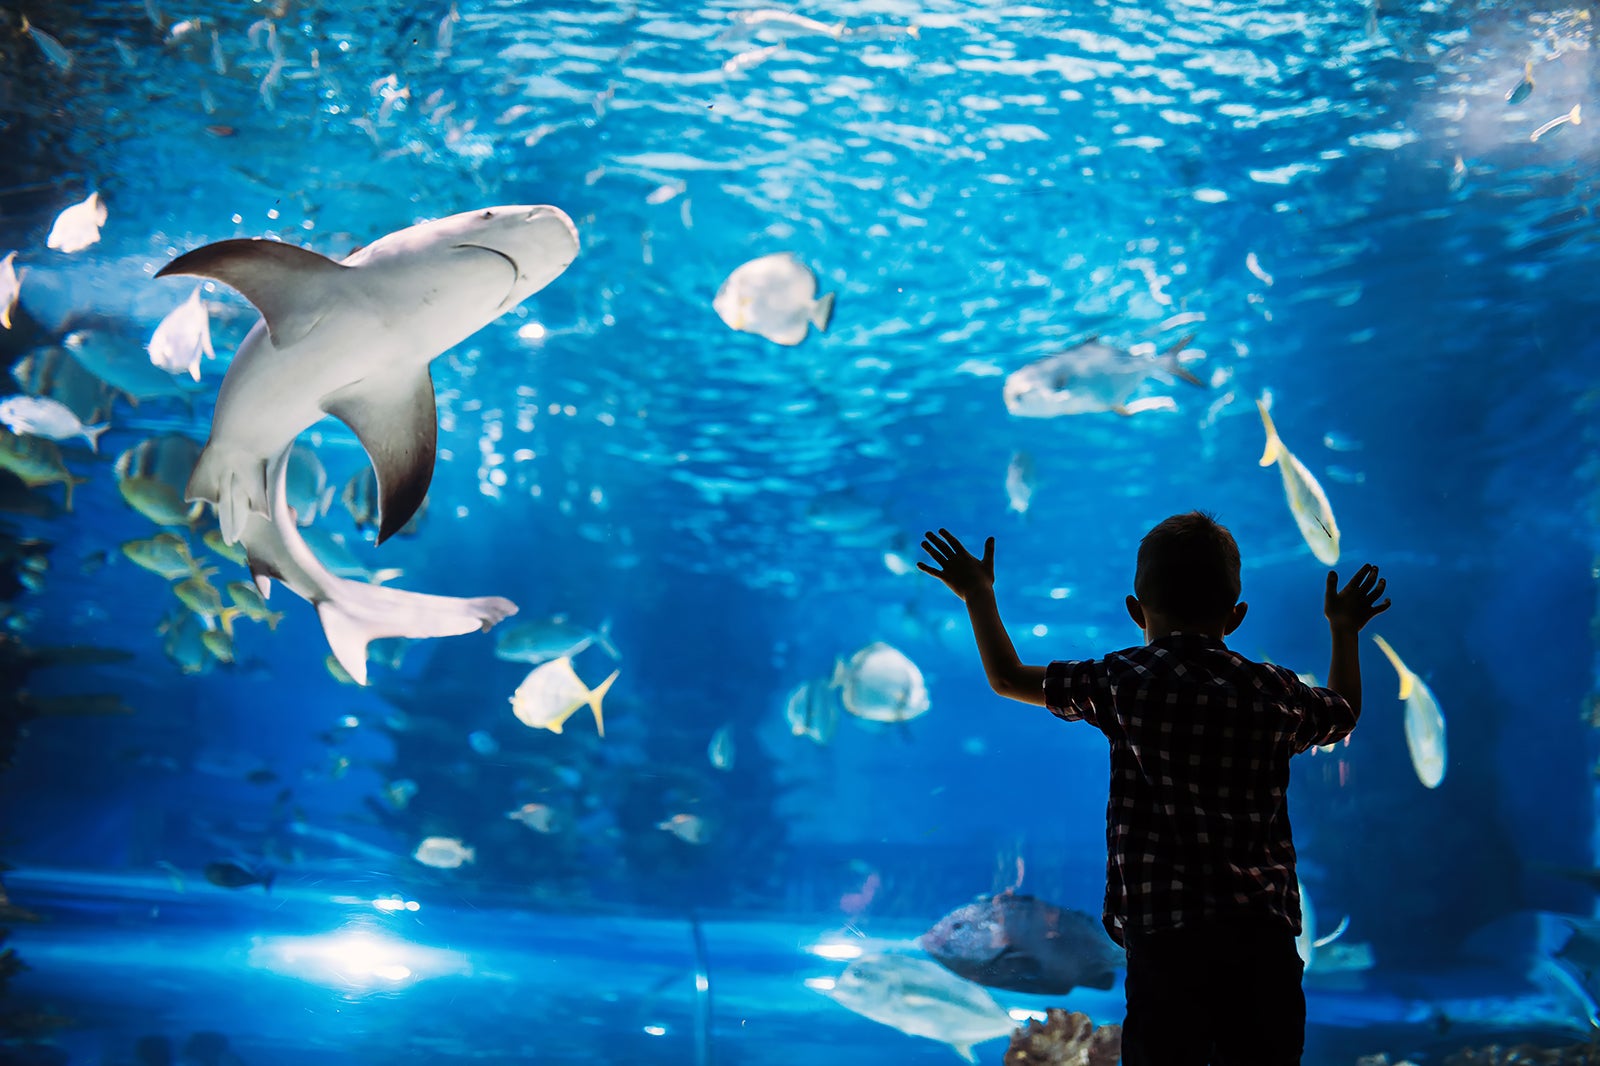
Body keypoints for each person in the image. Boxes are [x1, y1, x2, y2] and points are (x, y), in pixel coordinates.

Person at [917, 512, 1391, 1066]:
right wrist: (1344, 629)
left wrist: (977, 593)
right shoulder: (1273, 690)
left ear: (1135, 610)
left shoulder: (1123, 681)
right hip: (1260, 939)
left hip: (1165, 940)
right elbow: (1344, 712)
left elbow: (1007, 677)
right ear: (1236, 616)